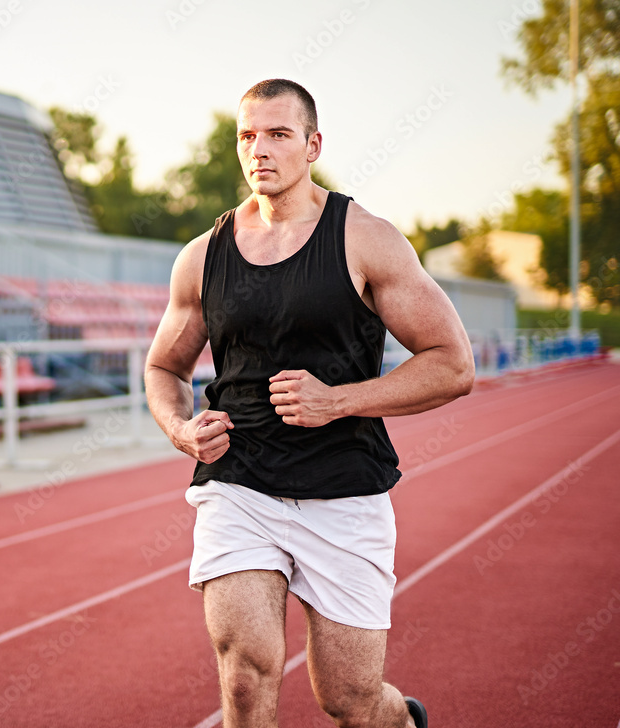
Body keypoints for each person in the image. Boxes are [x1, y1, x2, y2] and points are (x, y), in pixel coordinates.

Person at [144, 78, 474, 728]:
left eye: (278, 134)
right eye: (247, 135)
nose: (258, 149)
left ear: (313, 144)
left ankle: (401, 717)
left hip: (344, 491)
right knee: (245, 672)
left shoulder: (366, 239)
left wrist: (339, 400)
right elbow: (163, 366)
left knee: (348, 698)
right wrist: (181, 429)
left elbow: (453, 365)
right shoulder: (203, 256)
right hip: (240, 485)